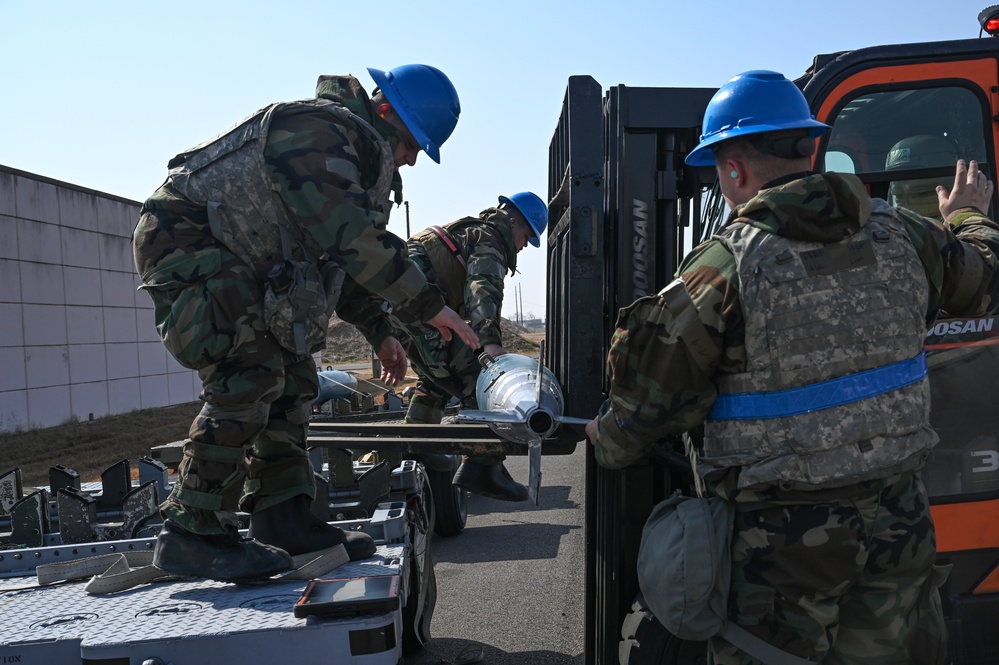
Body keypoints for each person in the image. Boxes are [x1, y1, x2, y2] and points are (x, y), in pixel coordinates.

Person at [585, 70, 999, 664]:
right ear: (812, 148)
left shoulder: (722, 268)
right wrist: (965, 216)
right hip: (900, 520)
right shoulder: (906, 235)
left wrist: (607, 437)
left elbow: (645, 410)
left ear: (732, 169)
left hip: (782, 547)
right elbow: (985, 280)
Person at [133, 64, 480, 583]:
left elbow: (346, 262)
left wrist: (381, 332)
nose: (410, 159)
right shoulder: (319, 131)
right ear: (385, 113)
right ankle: (192, 530)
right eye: (411, 145)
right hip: (189, 240)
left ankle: (283, 516)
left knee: (294, 376)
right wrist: (428, 305)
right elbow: (350, 237)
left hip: (239, 254)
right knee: (250, 371)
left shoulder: (355, 157)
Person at [371, 192, 547, 501]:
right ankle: (481, 465)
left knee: (437, 378)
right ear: (514, 221)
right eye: (526, 237)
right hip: (420, 308)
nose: (522, 246)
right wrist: (491, 346)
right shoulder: (490, 240)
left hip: (399, 309)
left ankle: (418, 443)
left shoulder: (469, 232)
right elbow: (482, 290)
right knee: (479, 380)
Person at [885, 134, 962, 220]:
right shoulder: (896, 230)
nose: (895, 191)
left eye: (906, 177)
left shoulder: (960, 228)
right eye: (894, 180)